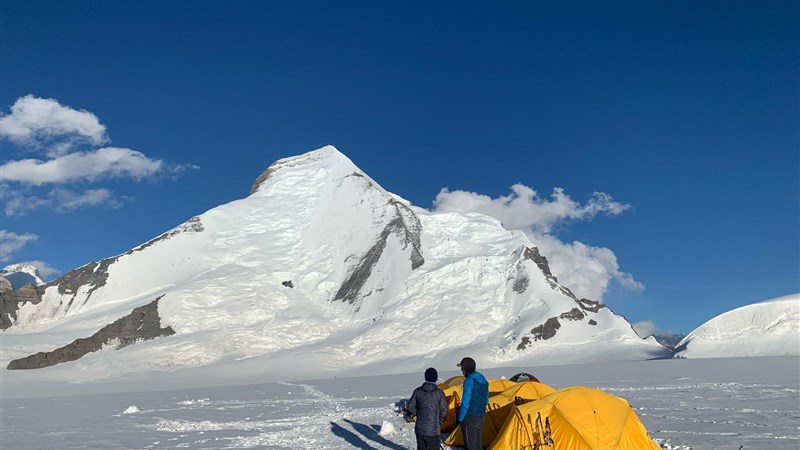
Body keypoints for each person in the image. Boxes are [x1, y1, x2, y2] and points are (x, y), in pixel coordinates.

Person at [408, 367, 447, 450]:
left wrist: (417, 413)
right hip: (433, 430)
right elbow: (444, 410)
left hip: (420, 429)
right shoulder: (439, 393)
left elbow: (410, 406)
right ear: (436, 378)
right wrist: (439, 422)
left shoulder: (418, 391)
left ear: (425, 377)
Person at [457, 357, 489, 450]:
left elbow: (466, 402)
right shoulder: (484, 381)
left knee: (470, 445)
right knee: (478, 444)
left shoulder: (469, 381)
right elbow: (486, 400)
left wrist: (460, 418)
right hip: (480, 416)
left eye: (462, 368)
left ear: (466, 369)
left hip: (470, 417)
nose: (461, 371)